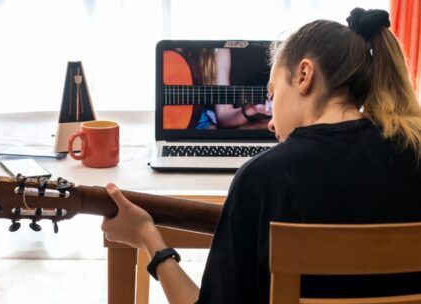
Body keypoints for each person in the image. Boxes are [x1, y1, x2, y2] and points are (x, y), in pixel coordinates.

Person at [101, 7, 421, 304]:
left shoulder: (263, 178)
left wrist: (147, 237)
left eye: (272, 93)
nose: (269, 121)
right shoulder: (415, 152)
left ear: (304, 75)